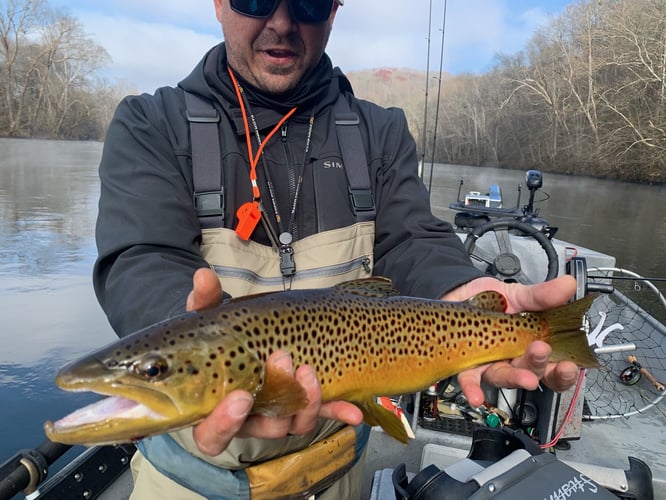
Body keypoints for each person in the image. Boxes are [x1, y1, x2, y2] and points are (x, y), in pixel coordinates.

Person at [93, 0, 581, 498]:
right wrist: (199, 347)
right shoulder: (150, 124)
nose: (281, 24)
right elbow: (140, 260)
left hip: (337, 470)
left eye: (308, 3)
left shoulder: (379, 131)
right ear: (218, 3)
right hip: (192, 480)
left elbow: (411, 237)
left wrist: (459, 287)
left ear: (334, 10)